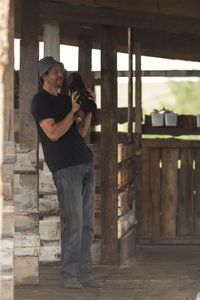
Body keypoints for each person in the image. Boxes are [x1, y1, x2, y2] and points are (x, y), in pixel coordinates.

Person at [31, 56, 103, 289]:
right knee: (74, 224)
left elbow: (79, 134)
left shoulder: (65, 100)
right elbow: (52, 133)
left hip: (84, 164)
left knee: (88, 226)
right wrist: (72, 111)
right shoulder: (40, 101)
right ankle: (68, 276)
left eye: (61, 71)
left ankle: (84, 275)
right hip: (65, 169)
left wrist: (88, 111)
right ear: (44, 76)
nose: (60, 75)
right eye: (55, 72)